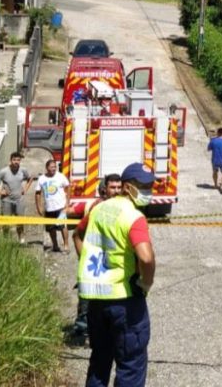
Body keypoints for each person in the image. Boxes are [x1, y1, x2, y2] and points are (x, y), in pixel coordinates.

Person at [75, 164, 156, 387]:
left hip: (96, 302)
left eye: (150, 185)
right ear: (128, 187)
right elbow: (146, 258)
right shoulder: (133, 216)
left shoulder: (98, 209)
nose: (149, 190)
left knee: (99, 362)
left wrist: (85, 264)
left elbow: (78, 235)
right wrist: (146, 283)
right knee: (130, 365)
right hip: (126, 301)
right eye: (143, 186)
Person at [73, 175, 121, 339]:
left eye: (118, 187)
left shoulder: (122, 209)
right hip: (94, 265)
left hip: (112, 264)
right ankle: (81, 330)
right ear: (103, 190)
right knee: (87, 299)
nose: (116, 191)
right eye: (112, 188)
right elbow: (77, 234)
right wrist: (83, 260)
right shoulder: (96, 208)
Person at [0, 152, 34, 244]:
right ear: (10, 160)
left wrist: (25, 189)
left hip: (19, 200)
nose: (16, 162)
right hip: (7, 201)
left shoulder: (23, 170)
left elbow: (30, 178)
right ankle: (6, 240)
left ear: (20, 161)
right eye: (14, 160)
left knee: (20, 220)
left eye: (18, 160)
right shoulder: (4, 171)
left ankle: (21, 239)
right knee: (6, 221)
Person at [35, 159, 71, 253]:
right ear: (47, 168)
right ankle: (55, 245)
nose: (54, 169)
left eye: (55, 167)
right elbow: (38, 193)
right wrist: (39, 207)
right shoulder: (42, 179)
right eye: (51, 167)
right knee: (51, 228)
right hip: (49, 208)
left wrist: (67, 202)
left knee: (63, 226)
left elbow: (68, 187)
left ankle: (66, 246)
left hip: (60, 207)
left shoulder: (61, 176)